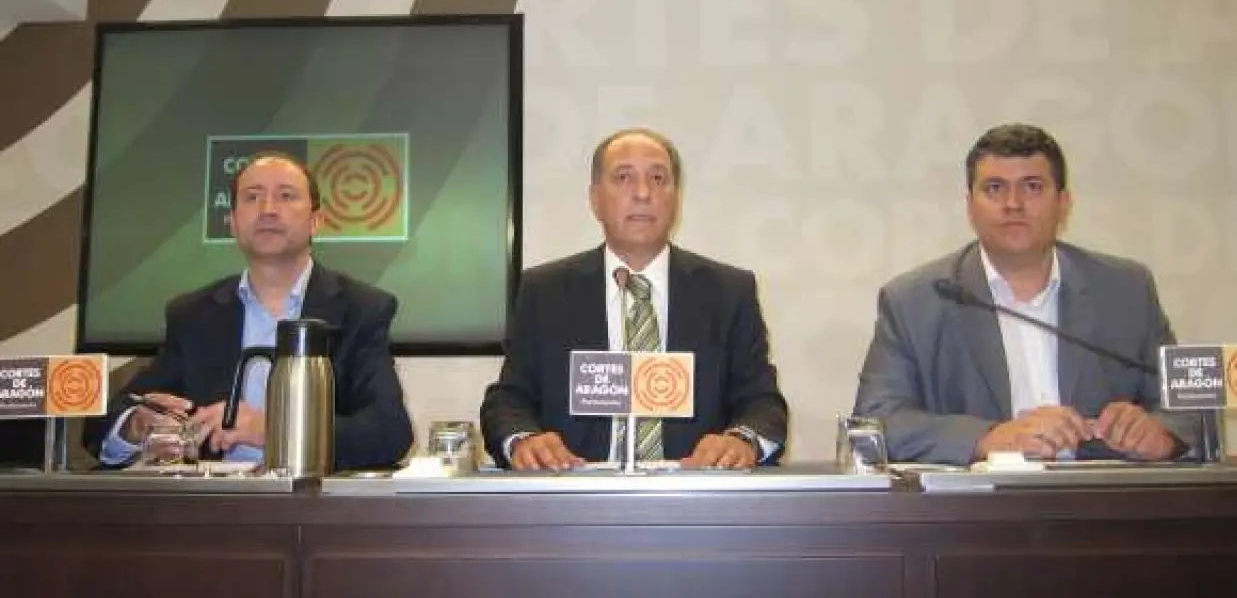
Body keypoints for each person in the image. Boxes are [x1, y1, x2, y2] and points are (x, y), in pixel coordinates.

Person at [854, 123, 1203, 466]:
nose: (1013, 204)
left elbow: (1188, 407)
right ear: (970, 206)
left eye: (1032, 187)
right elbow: (874, 424)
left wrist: (1162, 434)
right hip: (979, 500)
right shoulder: (915, 301)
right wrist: (987, 439)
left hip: (1102, 497)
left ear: (1063, 203)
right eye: (994, 188)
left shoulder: (1126, 290)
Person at [82, 152, 414, 471]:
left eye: (286, 196)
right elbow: (103, 425)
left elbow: (390, 431)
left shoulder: (360, 309)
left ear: (316, 221)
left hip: (314, 500)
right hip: (217, 502)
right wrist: (138, 425)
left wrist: (273, 429)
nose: (268, 209)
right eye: (252, 197)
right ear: (232, 222)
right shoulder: (193, 315)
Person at [481, 128, 788, 470]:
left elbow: (763, 403)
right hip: (575, 493)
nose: (643, 193)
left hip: (695, 494)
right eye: (624, 177)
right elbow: (508, 400)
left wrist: (742, 440)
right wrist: (524, 440)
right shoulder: (545, 292)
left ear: (676, 198)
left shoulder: (729, 292)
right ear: (595, 199)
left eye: (658, 178)